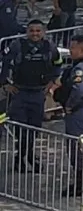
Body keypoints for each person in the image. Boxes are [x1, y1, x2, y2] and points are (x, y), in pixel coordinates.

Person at [3, 20, 63, 171]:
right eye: (32, 30)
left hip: (38, 93)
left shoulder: (50, 47)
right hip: (20, 93)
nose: (35, 34)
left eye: (38, 31)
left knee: (34, 128)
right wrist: (4, 84)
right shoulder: (17, 45)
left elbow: (58, 63)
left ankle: (27, 156)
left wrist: (52, 82)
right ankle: (22, 158)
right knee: (21, 128)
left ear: (43, 32)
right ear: (27, 32)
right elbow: (5, 63)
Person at [52, 35, 83, 197]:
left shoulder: (80, 68)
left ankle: (81, 184)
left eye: (72, 48)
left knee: (77, 147)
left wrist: (70, 106)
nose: (70, 51)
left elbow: (78, 90)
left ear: (82, 49)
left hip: (80, 112)